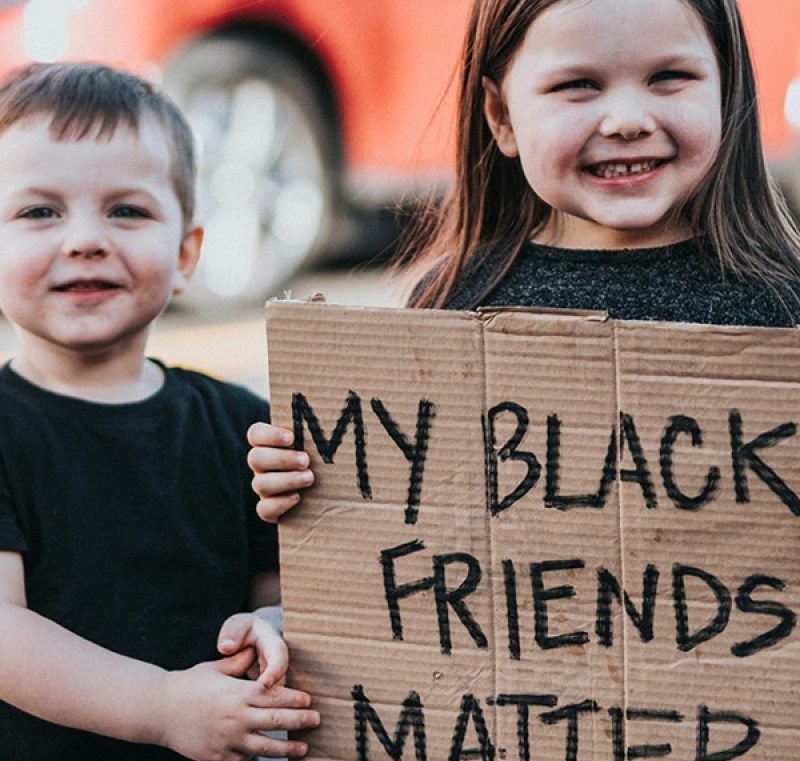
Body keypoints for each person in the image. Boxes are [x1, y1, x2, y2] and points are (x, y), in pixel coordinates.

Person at [247, 0, 800, 522]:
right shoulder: (455, 305)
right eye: (577, 86)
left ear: (727, 89)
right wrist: (316, 493)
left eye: (669, 77)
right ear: (501, 116)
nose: (627, 120)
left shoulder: (783, 302)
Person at [0, 62, 319, 761]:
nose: (84, 239)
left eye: (127, 212)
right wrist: (164, 705)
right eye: (40, 212)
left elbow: (284, 593)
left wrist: (269, 630)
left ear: (185, 255)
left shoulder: (241, 424)